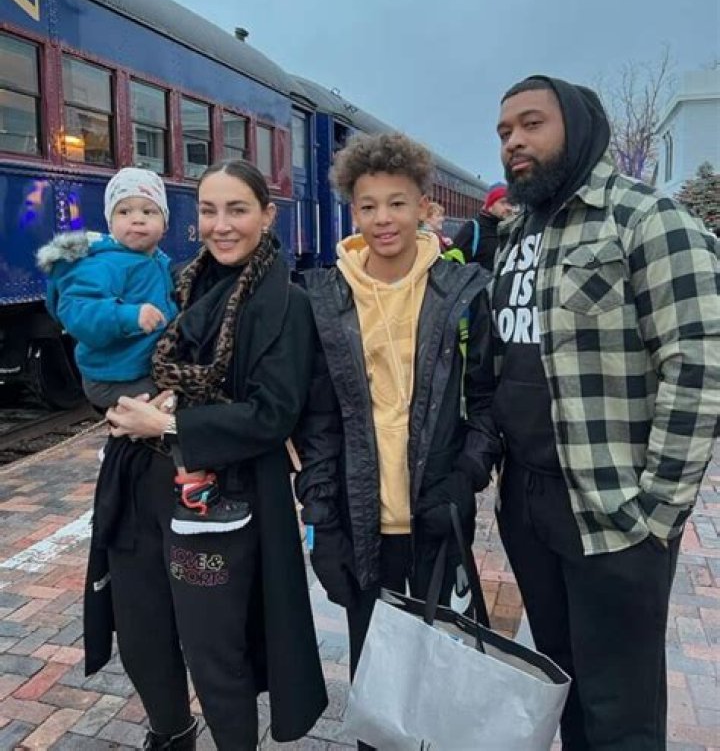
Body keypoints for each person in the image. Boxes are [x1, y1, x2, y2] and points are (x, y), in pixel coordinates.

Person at [482, 75, 719, 749]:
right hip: (529, 502)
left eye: (532, 124)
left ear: (579, 129)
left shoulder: (647, 218)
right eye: (504, 132)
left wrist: (656, 513)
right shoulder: (522, 228)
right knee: (564, 687)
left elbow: (700, 364)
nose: (515, 142)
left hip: (613, 509)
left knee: (623, 710)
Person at [93, 160, 327, 750]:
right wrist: (119, 399)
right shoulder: (175, 283)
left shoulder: (286, 305)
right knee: (141, 633)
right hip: (139, 489)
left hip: (215, 508)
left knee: (214, 651)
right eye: (207, 210)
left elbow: (273, 415)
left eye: (237, 209)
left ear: (268, 216)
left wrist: (168, 422)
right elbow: (107, 350)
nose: (221, 225)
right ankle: (171, 735)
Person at [294, 134, 498, 740]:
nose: (383, 218)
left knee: (437, 670)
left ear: (423, 207)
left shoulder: (463, 292)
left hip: (436, 517)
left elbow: (488, 403)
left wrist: (464, 478)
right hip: (362, 525)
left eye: (397, 203)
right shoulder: (325, 297)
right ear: (351, 210)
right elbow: (318, 422)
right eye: (368, 205)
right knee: (374, 674)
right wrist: (321, 517)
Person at [37, 167, 249, 536]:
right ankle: (195, 492)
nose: (137, 219)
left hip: (133, 366)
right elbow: (79, 314)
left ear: (164, 223)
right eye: (125, 212)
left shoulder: (155, 260)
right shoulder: (99, 263)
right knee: (181, 405)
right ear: (110, 220)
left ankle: (123, 446)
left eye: (148, 212)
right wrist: (129, 316)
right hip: (116, 374)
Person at [453, 182, 513, 270]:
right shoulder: (472, 229)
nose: (509, 208)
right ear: (490, 206)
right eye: (503, 203)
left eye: (511, 203)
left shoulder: (512, 230)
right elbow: (453, 266)